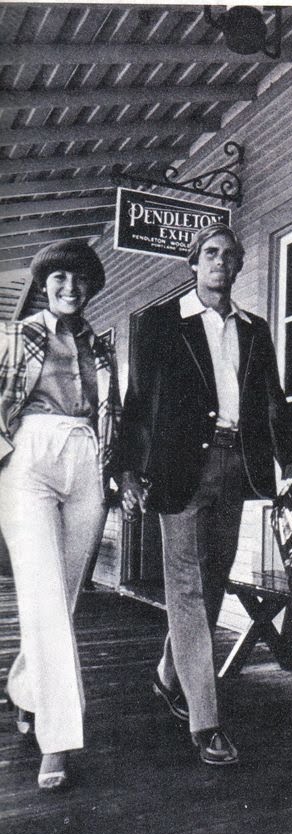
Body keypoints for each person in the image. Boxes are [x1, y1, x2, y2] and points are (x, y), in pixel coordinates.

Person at [119, 224, 292, 767]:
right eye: (210, 254)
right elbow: (137, 401)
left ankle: (168, 675)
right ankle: (206, 722)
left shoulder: (254, 329)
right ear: (192, 264)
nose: (220, 262)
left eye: (229, 256)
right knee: (188, 591)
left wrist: (290, 464)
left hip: (236, 465)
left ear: (239, 268)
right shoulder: (160, 324)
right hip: (179, 470)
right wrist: (128, 469)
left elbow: (275, 401)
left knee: (214, 582)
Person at [0, 239, 122, 790]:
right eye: (59, 280)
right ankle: (58, 740)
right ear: (45, 286)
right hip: (29, 457)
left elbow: (111, 414)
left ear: (90, 288)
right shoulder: (14, 336)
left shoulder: (103, 347)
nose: (69, 288)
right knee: (45, 597)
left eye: (79, 280)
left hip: (86, 459)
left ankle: (26, 688)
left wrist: (114, 467)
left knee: (63, 599)